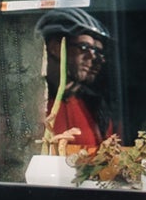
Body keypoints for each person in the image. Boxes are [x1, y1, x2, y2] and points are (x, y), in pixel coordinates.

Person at [40, 9, 112, 156]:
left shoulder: (95, 106)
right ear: (55, 48)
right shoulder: (36, 100)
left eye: (98, 52)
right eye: (84, 47)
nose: (95, 58)